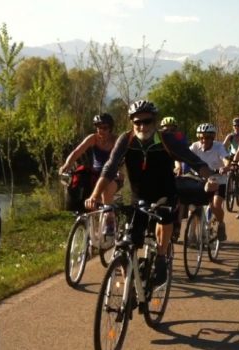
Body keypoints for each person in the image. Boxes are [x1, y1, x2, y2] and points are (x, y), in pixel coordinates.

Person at [85, 100, 210, 286]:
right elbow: (109, 168)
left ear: (155, 121)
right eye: (137, 122)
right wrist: (95, 195)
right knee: (127, 244)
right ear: (132, 123)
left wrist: (210, 177)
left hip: (164, 194)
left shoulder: (166, 140)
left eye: (147, 121)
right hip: (139, 196)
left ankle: (160, 257)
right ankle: (130, 287)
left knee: (164, 218)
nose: (142, 126)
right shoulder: (126, 140)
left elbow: (193, 160)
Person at [59, 113, 119, 237]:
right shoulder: (93, 138)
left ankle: (110, 220)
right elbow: (77, 152)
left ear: (110, 128)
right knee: (78, 179)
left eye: (105, 128)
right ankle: (81, 213)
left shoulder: (116, 141)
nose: (101, 130)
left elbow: (126, 158)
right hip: (96, 174)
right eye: (98, 127)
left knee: (106, 190)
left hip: (112, 175)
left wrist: (121, 171)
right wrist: (66, 165)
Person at [189, 123, 231, 241]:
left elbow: (226, 159)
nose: (204, 140)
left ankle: (221, 224)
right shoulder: (195, 146)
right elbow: (184, 157)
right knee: (193, 205)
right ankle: (192, 234)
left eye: (207, 137)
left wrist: (225, 167)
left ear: (212, 137)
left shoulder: (219, 147)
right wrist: (179, 167)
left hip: (219, 180)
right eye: (201, 137)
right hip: (201, 179)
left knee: (215, 205)